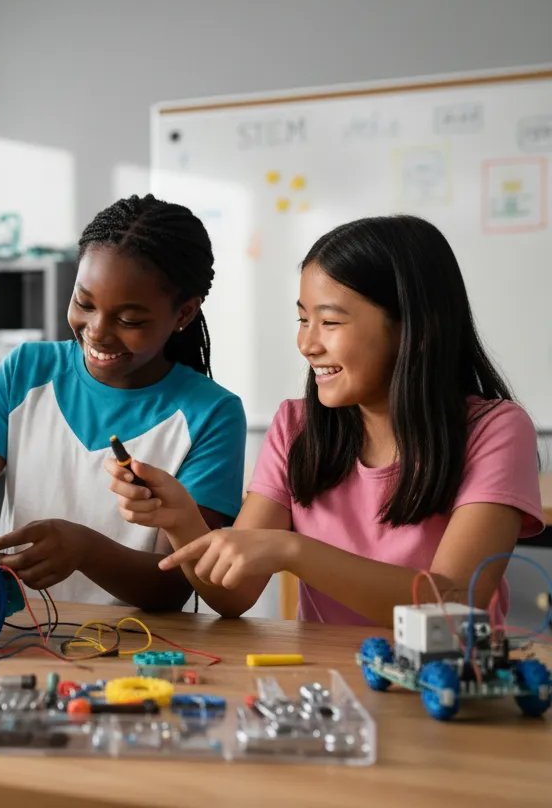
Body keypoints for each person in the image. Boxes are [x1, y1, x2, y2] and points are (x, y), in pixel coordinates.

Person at [110, 215, 544, 626]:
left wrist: (293, 550)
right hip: (323, 674)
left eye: (330, 321)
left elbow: (454, 603)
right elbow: (233, 596)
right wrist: (181, 519)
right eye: (303, 319)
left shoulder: (495, 430)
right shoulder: (295, 427)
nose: (307, 343)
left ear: (412, 327)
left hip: (442, 674)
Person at [0, 195, 246, 608]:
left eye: (129, 320)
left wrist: (86, 551)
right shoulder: (26, 370)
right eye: (84, 303)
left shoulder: (212, 414)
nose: (97, 332)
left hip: (137, 642)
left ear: (184, 314)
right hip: (15, 632)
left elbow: (174, 586)